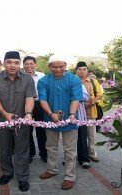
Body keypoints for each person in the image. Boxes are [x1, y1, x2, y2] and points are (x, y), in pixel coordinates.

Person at [0, 51, 35, 192]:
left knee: (22, 150)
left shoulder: (28, 79)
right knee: (5, 149)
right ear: (4, 63)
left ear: (19, 63)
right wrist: (4, 113)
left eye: (16, 62)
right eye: (9, 62)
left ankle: (22, 177)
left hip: (21, 122)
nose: (13, 65)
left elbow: (29, 98)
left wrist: (28, 114)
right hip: (1, 121)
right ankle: (7, 173)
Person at [38, 55, 83, 190]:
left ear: (65, 65)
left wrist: (72, 114)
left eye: (61, 66)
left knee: (70, 150)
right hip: (50, 120)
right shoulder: (43, 81)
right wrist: (51, 114)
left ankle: (69, 176)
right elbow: (42, 100)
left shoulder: (74, 80)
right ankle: (52, 169)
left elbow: (75, 99)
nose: (58, 69)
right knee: (51, 147)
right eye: (54, 67)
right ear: (49, 67)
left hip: (70, 119)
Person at [76, 61, 103, 163]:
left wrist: (91, 103)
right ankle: (79, 154)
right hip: (77, 113)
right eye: (79, 69)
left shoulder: (93, 81)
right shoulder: (73, 80)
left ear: (87, 70)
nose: (82, 71)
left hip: (90, 112)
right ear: (76, 71)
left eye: (84, 69)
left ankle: (92, 154)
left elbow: (99, 94)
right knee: (78, 135)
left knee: (91, 134)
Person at [23, 56, 47, 163]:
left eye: (31, 63)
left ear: (35, 64)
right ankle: (30, 153)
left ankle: (44, 153)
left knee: (41, 130)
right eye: (26, 64)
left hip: (39, 104)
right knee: (27, 130)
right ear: (23, 65)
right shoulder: (20, 76)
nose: (29, 66)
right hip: (25, 104)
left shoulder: (42, 76)